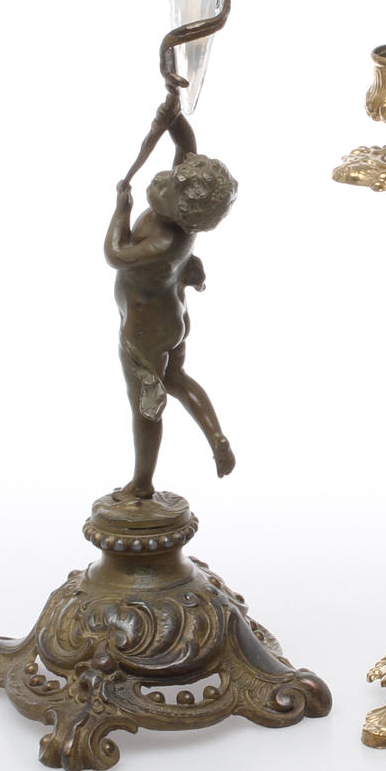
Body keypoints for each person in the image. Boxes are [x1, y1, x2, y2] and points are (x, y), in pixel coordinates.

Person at [105, 104, 238, 499]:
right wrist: (173, 113)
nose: (161, 179)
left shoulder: (163, 242)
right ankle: (216, 437)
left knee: (145, 406)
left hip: (144, 331)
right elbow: (185, 143)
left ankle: (142, 483)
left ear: (181, 210)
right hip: (172, 318)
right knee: (176, 377)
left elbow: (115, 254)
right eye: (169, 177)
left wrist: (121, 211)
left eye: (166, 189)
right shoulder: (183, 209)